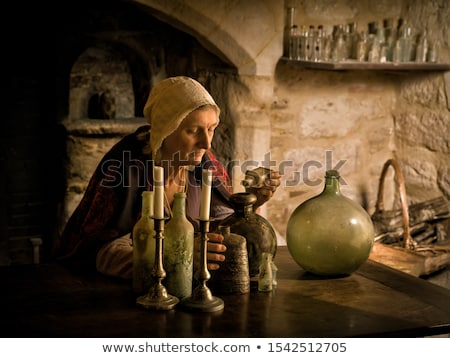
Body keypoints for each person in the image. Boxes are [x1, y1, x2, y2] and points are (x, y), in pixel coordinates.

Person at [55, 76, 281, 279]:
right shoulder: (125, 164)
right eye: (193, 131)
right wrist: (178, 255)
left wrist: (251, 206)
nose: (207, 143)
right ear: (165, 129)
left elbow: (222, 226)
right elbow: (104, 254)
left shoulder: (203, 163)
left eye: (211, 129)